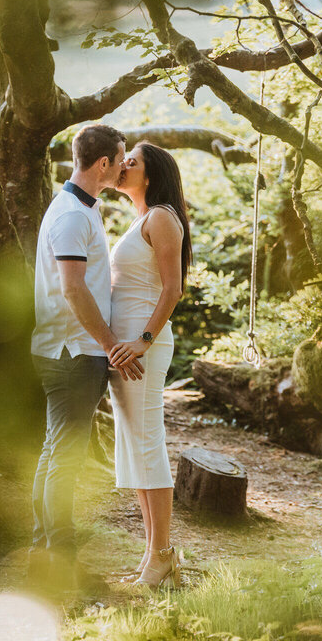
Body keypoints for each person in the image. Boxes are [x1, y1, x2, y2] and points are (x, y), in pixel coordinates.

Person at [29, 124, 143, 591]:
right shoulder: (73, 216)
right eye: (120, 160)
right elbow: (73, 290)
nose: (123, 168)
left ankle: (43, 553)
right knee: (65, 459)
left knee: (54, 452)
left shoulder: (81, 208)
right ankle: (62, 563)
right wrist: (112, 343)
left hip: (72, 349)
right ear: (103, 165)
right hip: (72, 351)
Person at [107, 141, 192, 588]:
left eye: (132, 162)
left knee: (147, 446)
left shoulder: (162, 217)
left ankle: (162, 556)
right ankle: (154, 558)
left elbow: (172, 290)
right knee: (135, 449)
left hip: (143, 349)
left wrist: (142, 340)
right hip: (125, 351)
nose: (122, 166)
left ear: (151, 173)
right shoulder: (141, 218)